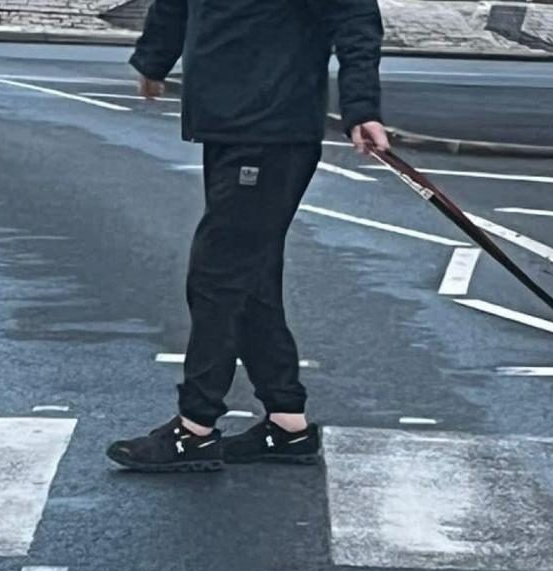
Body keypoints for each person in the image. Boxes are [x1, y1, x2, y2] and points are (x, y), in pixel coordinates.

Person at [107, 0, 389, 472]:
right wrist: (155, 57)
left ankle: (195, 428)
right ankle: (287, 424)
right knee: (250, 278)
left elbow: (355, 19)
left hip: (272, 127)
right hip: (226, 122)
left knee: (216, 276)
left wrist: (361, 107)